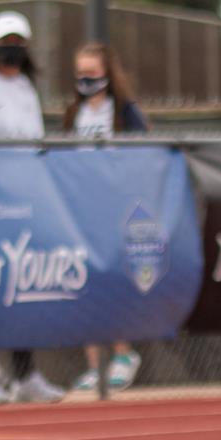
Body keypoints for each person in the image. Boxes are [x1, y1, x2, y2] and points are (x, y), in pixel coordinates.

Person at [0, 11, 65, 405]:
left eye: (20, 42)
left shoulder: (26, 86)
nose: (14, 49)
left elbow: (35, 141)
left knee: (22, 285)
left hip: (26, 198)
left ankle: (26, 375)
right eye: (8, 41)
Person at [63, 43, 149, 394]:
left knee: (114, 279)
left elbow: (143, 153)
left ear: (107, 74)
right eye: (80, 74)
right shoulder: (74, 113)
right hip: (82, 207)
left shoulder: (124, 112)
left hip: (115, 207)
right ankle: (95, 364)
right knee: (84, 279)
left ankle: (123, 352)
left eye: (93, 74)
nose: (86, 81)